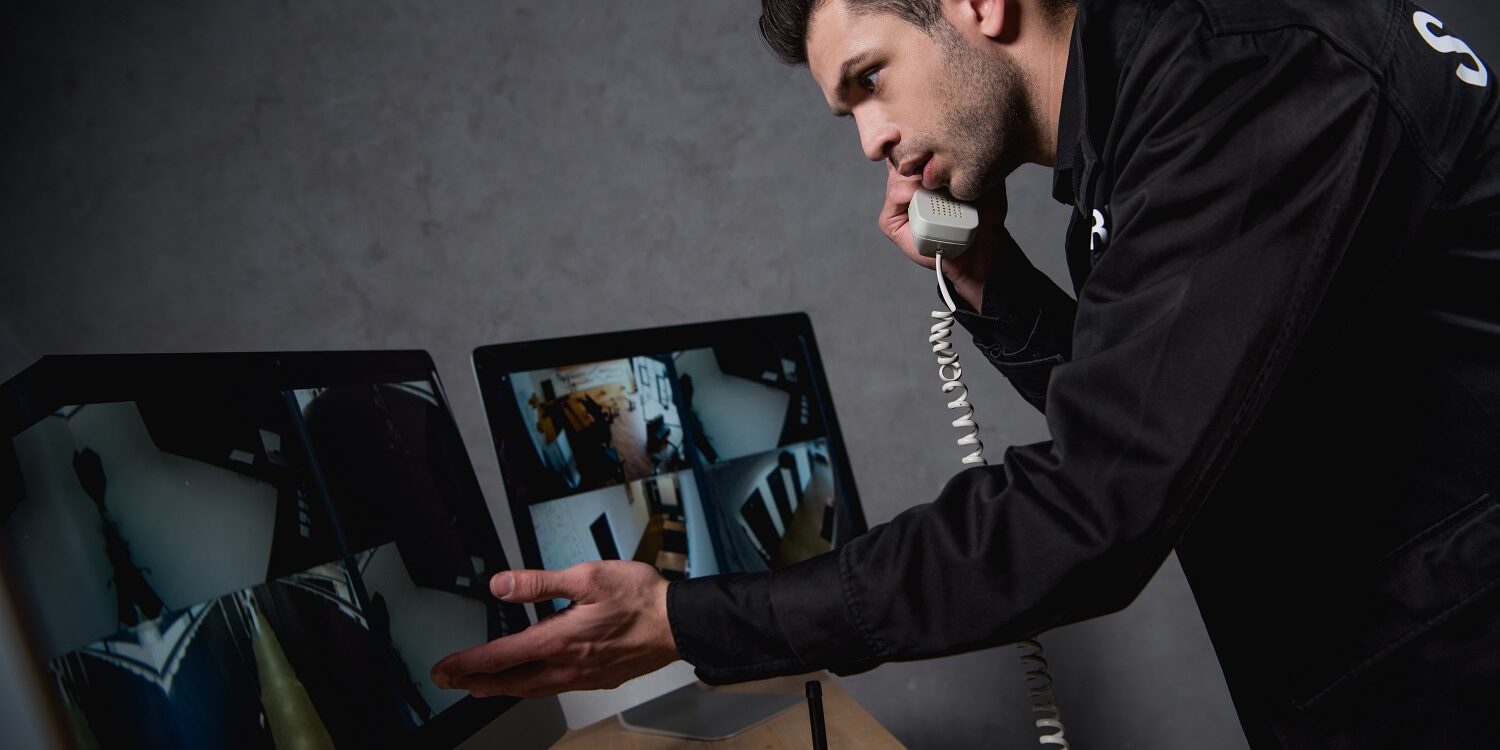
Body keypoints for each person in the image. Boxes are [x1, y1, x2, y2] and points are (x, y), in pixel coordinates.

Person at [432, 0, 1500, 745]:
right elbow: (1174, 407)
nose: (870, 139)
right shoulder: (1170, 109)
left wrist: (686, 620)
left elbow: (1098, 503)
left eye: (870, 78)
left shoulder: (1242, 82)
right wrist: (985, 272)